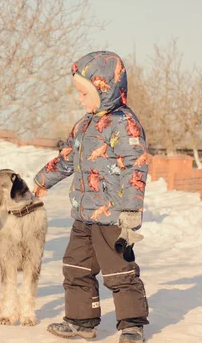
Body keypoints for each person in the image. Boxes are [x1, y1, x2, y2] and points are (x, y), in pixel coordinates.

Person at [33, 52, 149, 343]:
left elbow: (135, 166)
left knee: (119, 271)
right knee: (75, 266)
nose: (80, 99)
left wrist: (131, 210)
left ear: (105, 88)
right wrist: (43, 180)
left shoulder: (125, 124)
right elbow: (68, 158)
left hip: (112, 216)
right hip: (83, 214)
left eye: (85, 93)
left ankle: (132, 324)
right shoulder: (84, 126)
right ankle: (81, 321)